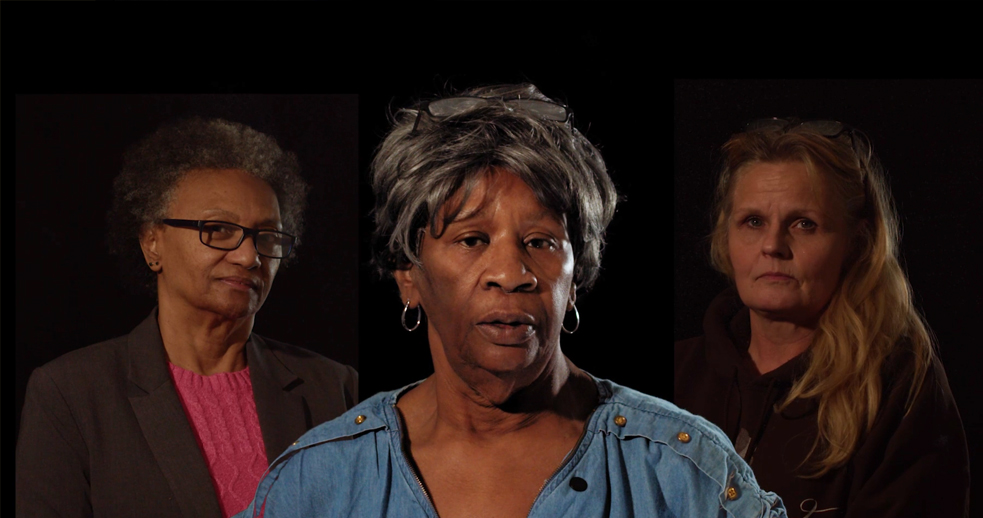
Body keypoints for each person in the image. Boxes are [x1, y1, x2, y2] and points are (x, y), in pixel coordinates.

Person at [236, 85, 786, 518]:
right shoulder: (318, 482)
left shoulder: (683, 471)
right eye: (471, 239)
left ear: (576, 278)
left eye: (540, 243)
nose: (512, 274)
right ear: (409, 274)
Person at [16, 117, 358, 518]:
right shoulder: (71, 394)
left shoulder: (336, 389)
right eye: (217, 229)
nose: (249, 257)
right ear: (152, 242)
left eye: (267, 237)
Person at [674, 118, 970, 517]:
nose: (773, 245)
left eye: (804, 224)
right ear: (725, 236)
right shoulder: (679, 372)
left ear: (857, 243)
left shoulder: (900, 387)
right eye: (754, 222)